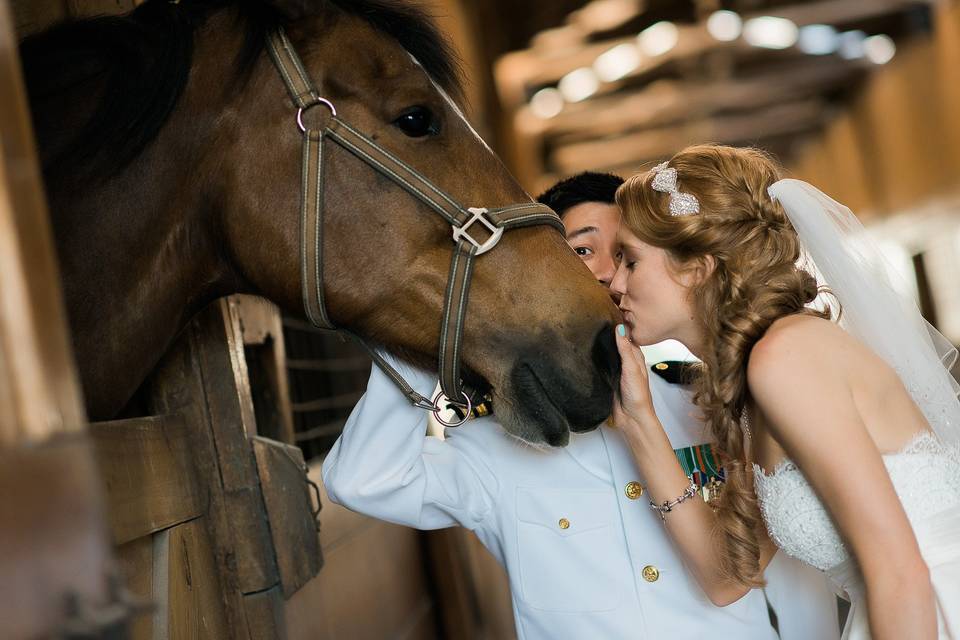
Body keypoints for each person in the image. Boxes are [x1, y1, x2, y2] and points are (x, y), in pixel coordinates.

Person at [322, 171, 839, 639]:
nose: (614, 277)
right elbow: (362, 479)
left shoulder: (710, 404)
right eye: (584, 251)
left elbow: (790, 582)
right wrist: (435, 332)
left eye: (629, 255)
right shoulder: (501, 444)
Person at [610, 144, 960, 639]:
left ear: (697, 267)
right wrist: (639, 421)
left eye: (629, 259)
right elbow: (725, 577)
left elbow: (901, 573)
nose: (615, 282)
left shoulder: (787, 359)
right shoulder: (756, 379)